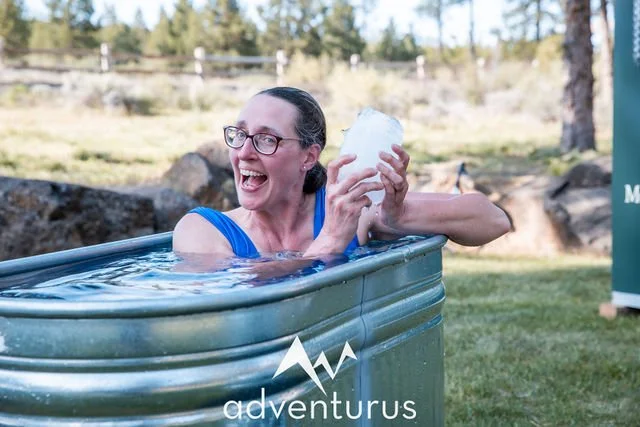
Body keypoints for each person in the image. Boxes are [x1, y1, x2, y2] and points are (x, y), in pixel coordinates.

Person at [173, 87, 511, 259]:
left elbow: (493, 220)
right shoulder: (201, 231)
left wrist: (398, 216)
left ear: (309, 157)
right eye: (239, 134)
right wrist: (332, 241)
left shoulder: (347, 212)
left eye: (266, 139)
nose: (244, 151)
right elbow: (243, 317)